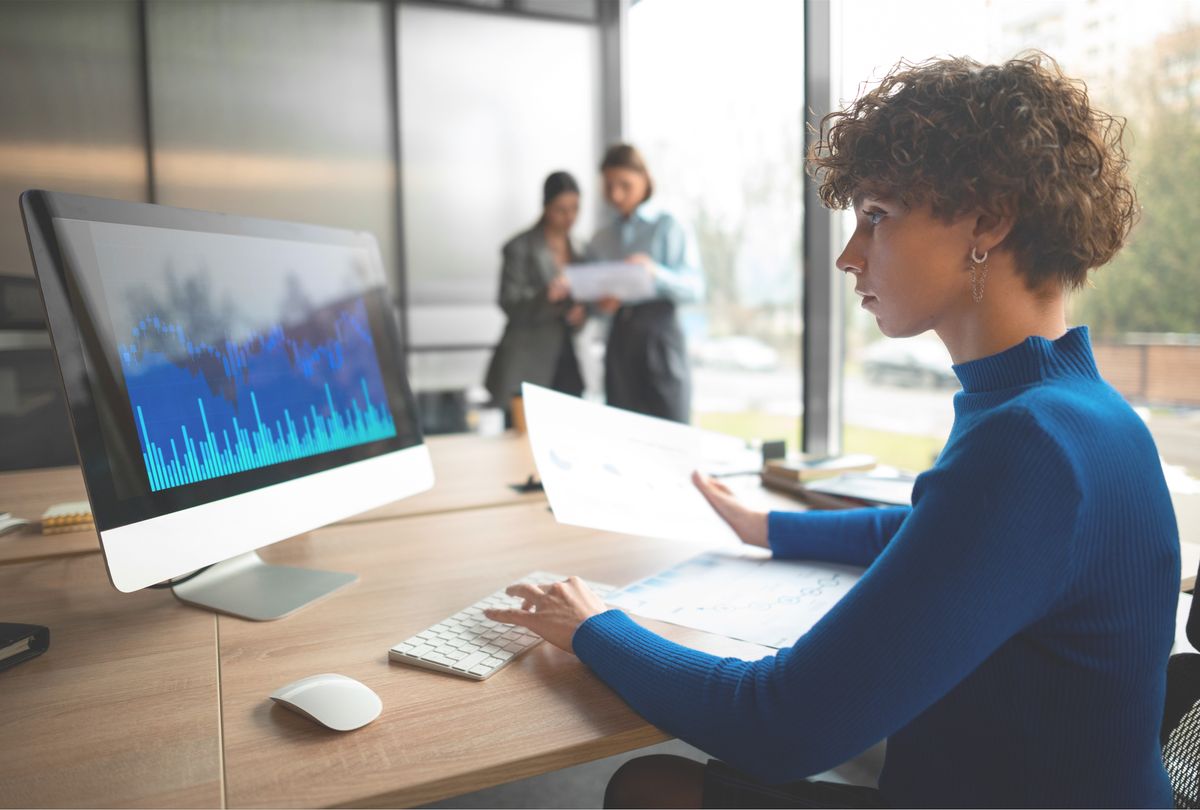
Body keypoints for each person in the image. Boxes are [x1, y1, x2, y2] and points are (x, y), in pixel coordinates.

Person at [483, 54, 1181, 808]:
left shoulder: (1032, 444)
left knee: (649, 788)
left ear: (988, 218)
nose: (850, 257)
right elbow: (938, 535)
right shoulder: (1080, 409)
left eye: (877, 218)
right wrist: (770, 528)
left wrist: (593, 626)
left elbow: (779, 728)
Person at [585, 144, 703, 423]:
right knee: (622, 429)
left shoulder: (668, 225)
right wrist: (600, 305)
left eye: (625, 185)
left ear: (645, 179)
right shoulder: (600, 239)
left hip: (660, 337)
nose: (616, 195)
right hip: (620, 340)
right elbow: (592, 303)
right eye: (609, 186)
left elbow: (694, 288)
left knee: (671, 427)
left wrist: (654, 273)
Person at [485, 171, 587, 417]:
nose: (569, 217)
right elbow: (508, 301)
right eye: (560, 209)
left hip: (568, 361)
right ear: (545, 207)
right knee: (521, 445)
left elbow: (587, 299)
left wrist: (582, 313)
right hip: (528, 361)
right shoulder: (519, 247)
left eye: (574, 208)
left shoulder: (582, 249)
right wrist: (546, 296)